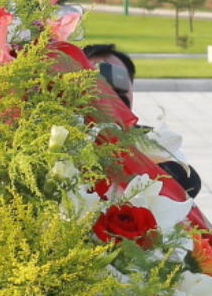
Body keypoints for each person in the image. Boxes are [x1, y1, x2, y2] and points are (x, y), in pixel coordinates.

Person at [81, 43, 201, 199]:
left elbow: (184, 183)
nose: (108, 86)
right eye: (94, 76)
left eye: (119, 77)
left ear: (132, 88)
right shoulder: (63, 142)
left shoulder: (154, 142)